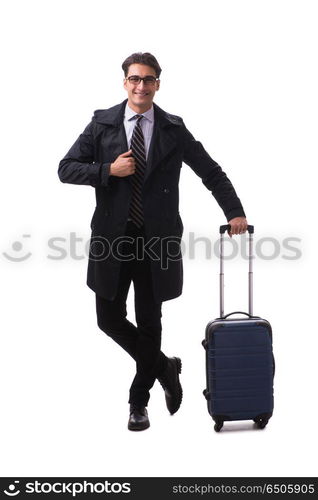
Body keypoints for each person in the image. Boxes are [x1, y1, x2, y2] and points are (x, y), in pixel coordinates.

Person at [58, 52, 248, 431]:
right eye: (134, 79)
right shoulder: (103, 124)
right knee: (108, 319)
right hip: (113, 240)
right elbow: (65, 168)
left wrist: (235, 212)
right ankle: (164, 366)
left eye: (148, 79)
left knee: (149, 321)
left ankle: (138, 402)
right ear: (124, 82)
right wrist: (107, 170)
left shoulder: (173, 130)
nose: (141, 86)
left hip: (156, 241)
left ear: (158, 84)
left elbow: (210, 171)